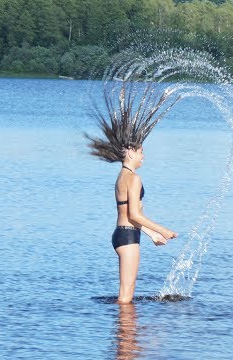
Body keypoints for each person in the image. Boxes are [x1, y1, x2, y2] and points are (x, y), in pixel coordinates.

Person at [84, 80, 179, 304]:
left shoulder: (122, 177)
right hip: (127, 236)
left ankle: (126, 338)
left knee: (127, 294)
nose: (144, 157)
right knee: (126, 297)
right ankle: (125, 338)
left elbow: (128, 213)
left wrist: (151, 234)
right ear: (130, 153)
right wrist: (162, 229)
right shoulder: (133, 179)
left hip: (124, 234)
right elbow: (135, 215)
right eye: (141, 152)